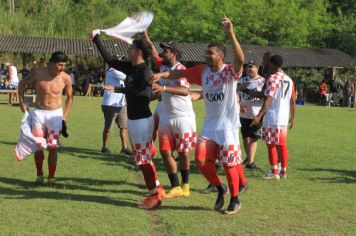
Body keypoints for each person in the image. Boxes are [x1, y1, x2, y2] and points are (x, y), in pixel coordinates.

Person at [151, 16, 244, 215]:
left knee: (229, 165)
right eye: (206, 52)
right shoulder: (203, 71)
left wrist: (230, 33)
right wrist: (162, 75)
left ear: (220, 56)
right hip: (209, 126)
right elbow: (180, 74)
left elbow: (240, 60)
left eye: (210, 53)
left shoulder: (229, 71)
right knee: (201, 161)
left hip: (228, 127)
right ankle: (220, 188)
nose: (206, 55)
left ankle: (235, 200)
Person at [91, 31, 164, 210]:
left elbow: (145, 95)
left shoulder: (145, 71)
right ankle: (157, 187)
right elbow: (111, 60)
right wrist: (97, 39)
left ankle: (154, 196)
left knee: (143, 159)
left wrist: (119, 90)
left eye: (131, 48)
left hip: (141, 121)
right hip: (134, 120)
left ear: (139, 52)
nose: (129, 50)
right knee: (144, 157)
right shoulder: (131, 68)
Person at [144, 31, 197, 198]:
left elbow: (185, 90)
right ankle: (175, 186)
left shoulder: (182, 70)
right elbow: (153, 53)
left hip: (183, 117)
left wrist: (164, 88)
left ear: (174, 53)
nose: (163, 52)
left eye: (166, 49)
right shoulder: (164, 67)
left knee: (183, 153)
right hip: (167, 116)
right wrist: (146, 36)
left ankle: (185, 185)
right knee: (165, 152)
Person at [17, 52, 73, 186]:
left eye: (65, 65)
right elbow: (21, 85)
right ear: (52, 63)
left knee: (53, 147)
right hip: (39, 114)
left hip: (55, 115)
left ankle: (51, 177)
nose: (62, 68)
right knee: (39, 146)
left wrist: (64, 118)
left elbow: (70, 98)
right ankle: (39, 175)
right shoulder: (38, 73)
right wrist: (22, 104)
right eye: (60, 65)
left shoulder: (65, 77)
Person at [251, 55, 296, 180]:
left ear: (271, 64)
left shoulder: (272, 78)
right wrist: (292, 117)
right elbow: (293, 100)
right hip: (283, 117)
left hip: (272, 116)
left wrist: (259, 115)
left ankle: (274, 172)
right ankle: (283, 172)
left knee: (270, 144)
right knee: (282, 145)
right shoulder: (288, 79)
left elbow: (269, 97)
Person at [238, 60, 265, 170]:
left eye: (252, 67)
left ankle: (250, 161)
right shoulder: (242, 80)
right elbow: (237, 95)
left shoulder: (262, 81)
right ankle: (249, 158)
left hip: (256, 114)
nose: (249, 69)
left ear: (257, 68)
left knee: (253, 138)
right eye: (248, 67)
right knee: (245, 137)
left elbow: (263, 96)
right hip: (243, 114)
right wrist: (239, 105)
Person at [101, 67, 131, 155]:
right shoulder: (113, 71)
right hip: (110, 104)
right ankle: (104, 147)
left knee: (124, 126)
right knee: (108, 128)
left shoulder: (115, 71)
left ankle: (124, 148)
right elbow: (125, 76)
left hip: (121, 104)